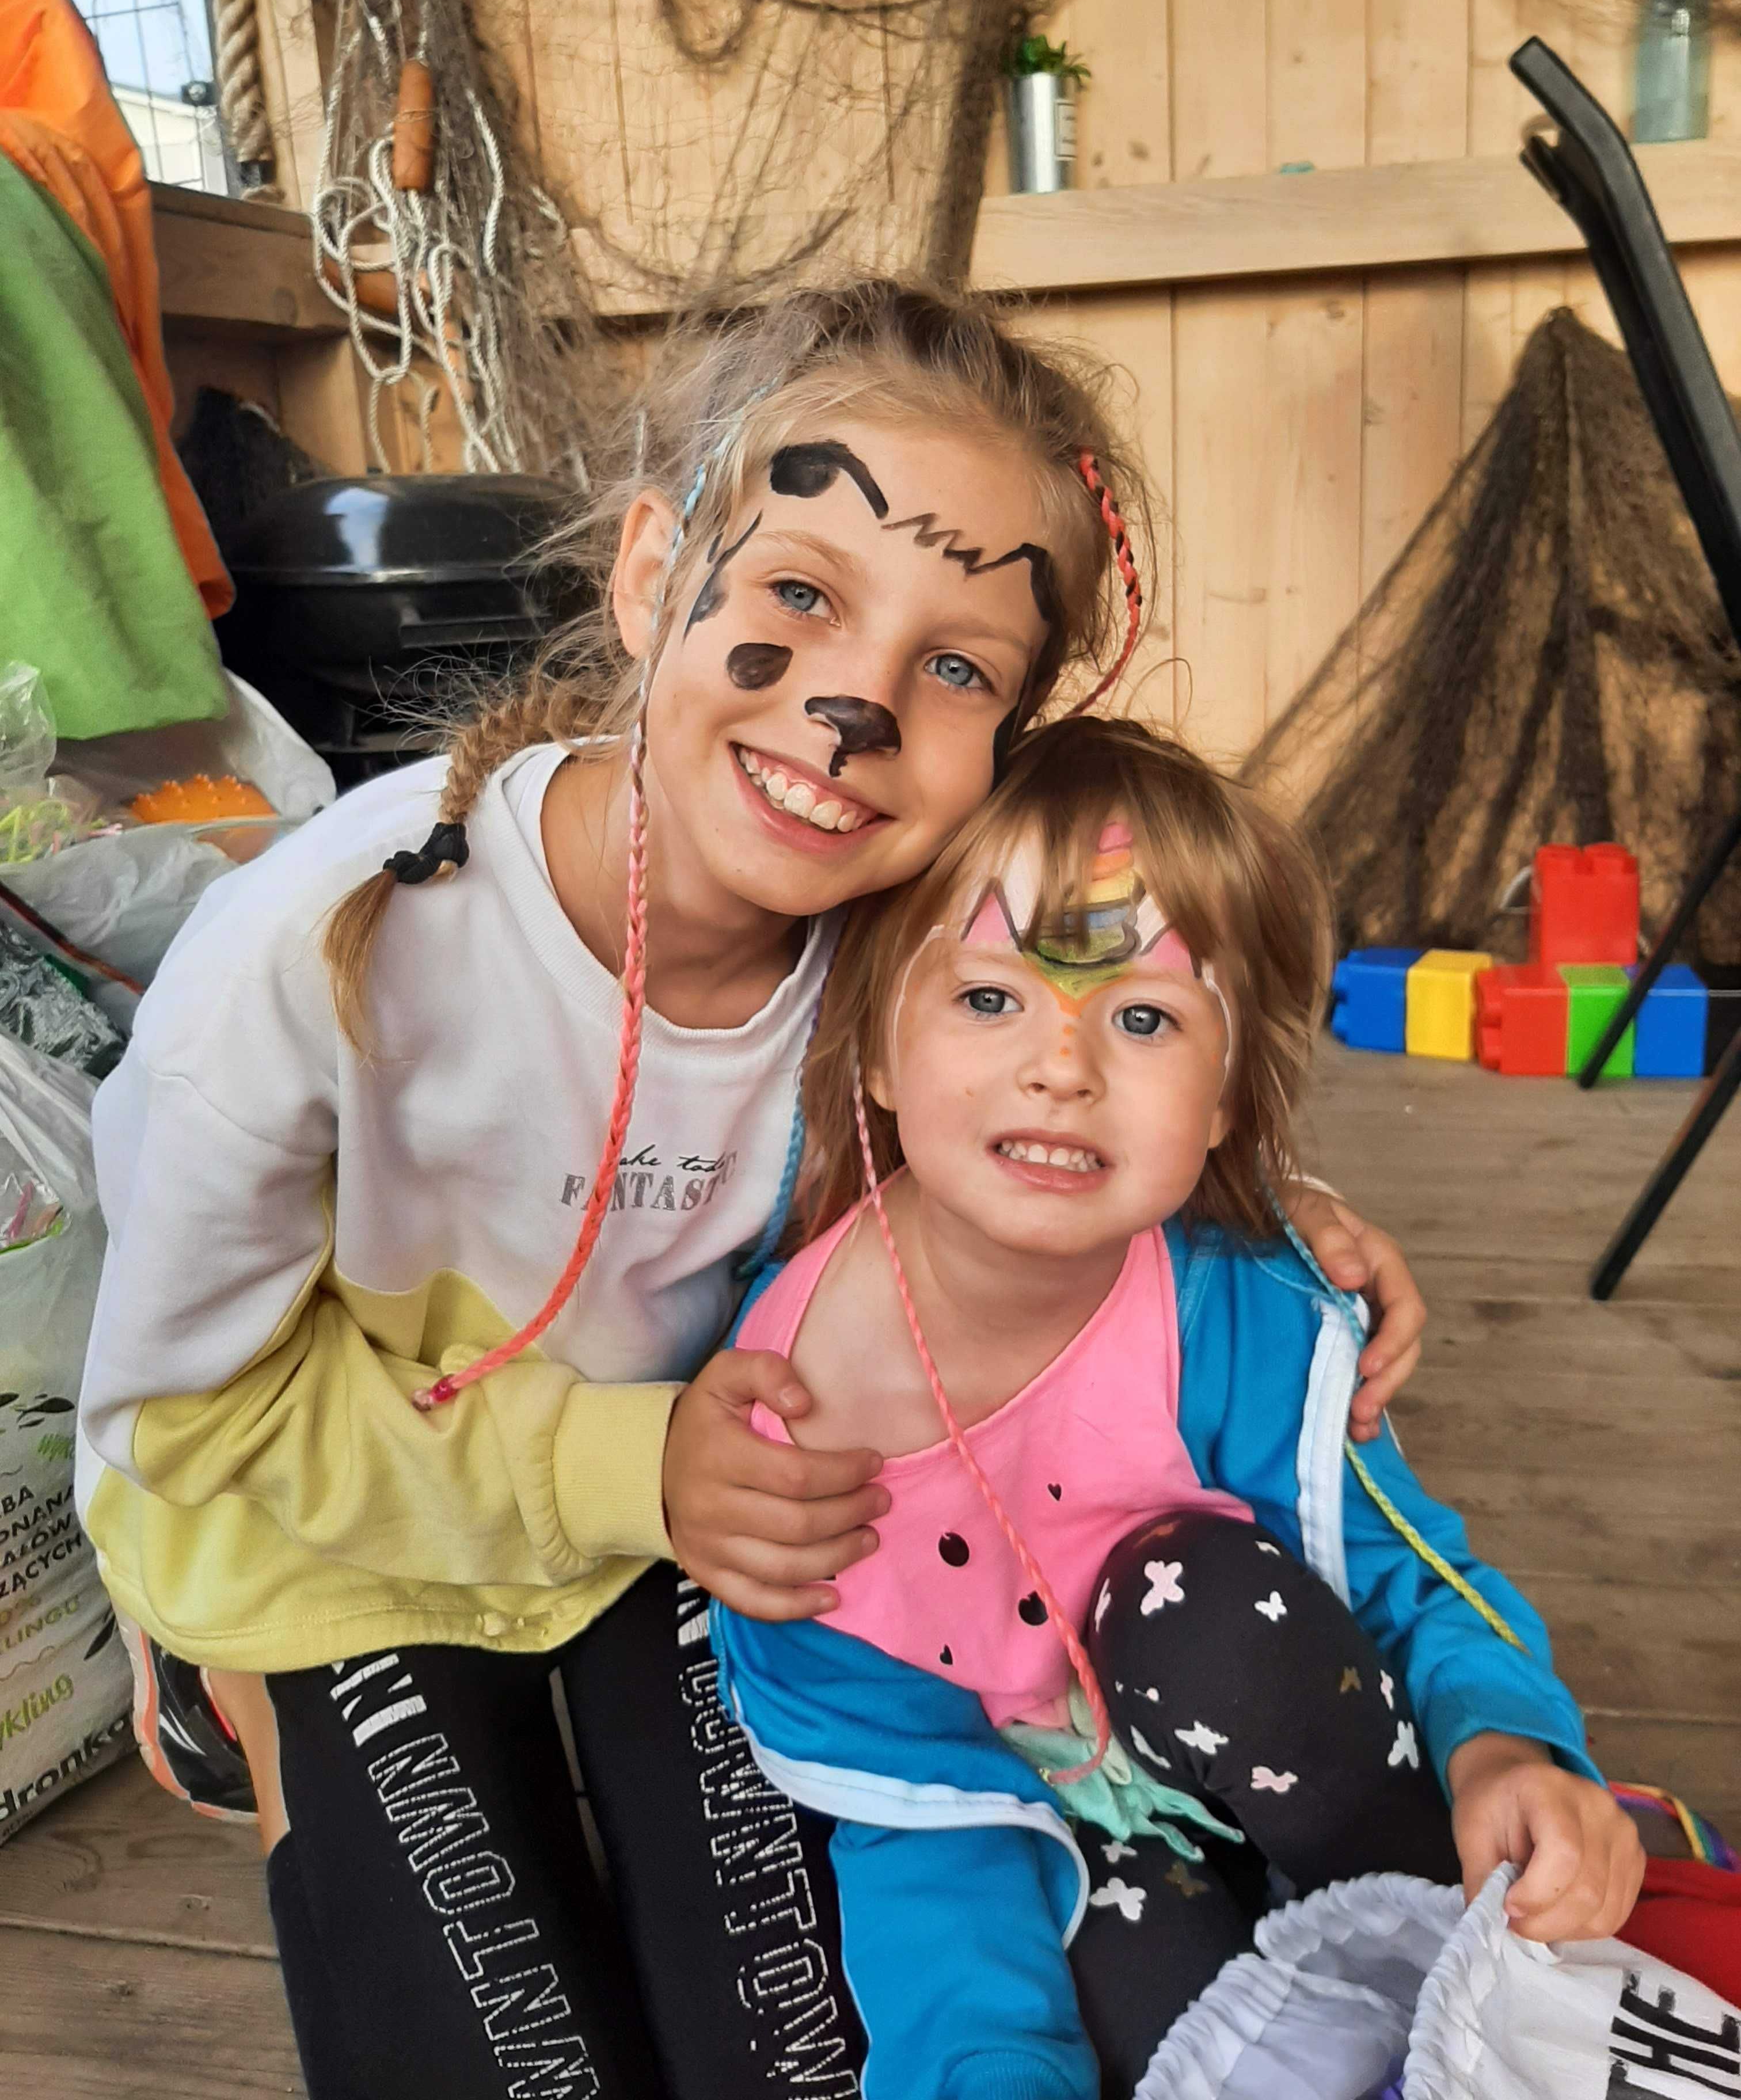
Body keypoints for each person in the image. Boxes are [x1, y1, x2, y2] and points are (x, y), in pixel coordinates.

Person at [77, 281, 1429, 2100]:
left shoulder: (896, 959)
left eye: (956, 666)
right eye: (799, 593)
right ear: (654, 580)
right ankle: (223, 1701)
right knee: (511, 2061)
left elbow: (1062, 1074)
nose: (856, 699)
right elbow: (190, 1433)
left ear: (1000, 749)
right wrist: (629, 1467)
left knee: (785, 2057)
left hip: (701, 1518)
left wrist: (1244, 1213)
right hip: (331, 1533)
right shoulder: (300, 968)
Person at [712, 714, 1645, 2100]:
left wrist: (1512, 1745)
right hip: (1060, 1840)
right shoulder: (788, 1443)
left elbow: (1410, 1567)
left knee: (1197, 1603)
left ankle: (1458, 1948)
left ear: (1221, 1099)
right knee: (1168, 2046)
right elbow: (925, 1831)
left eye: (1144, 1017)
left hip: (1319, 1764)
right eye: (988, 999)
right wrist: (980, 2066)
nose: (1064, 1067)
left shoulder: (1239, 1310)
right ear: (873, 1054)